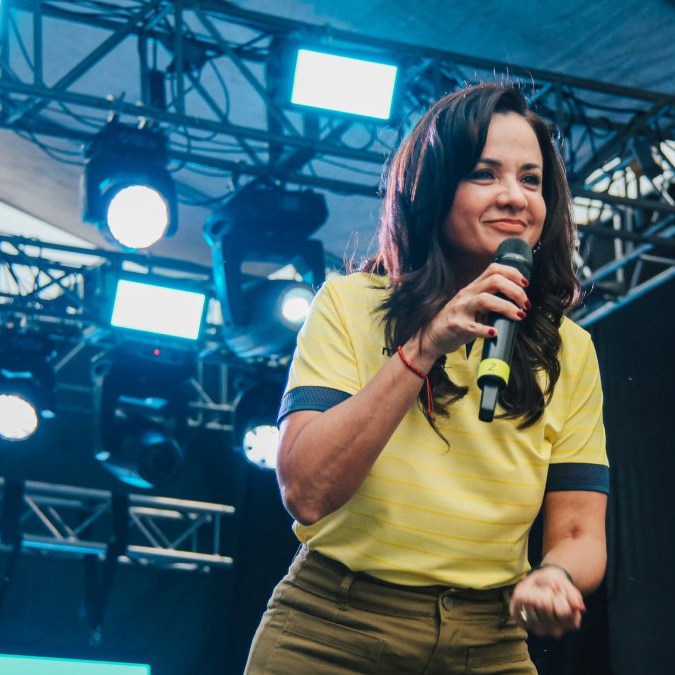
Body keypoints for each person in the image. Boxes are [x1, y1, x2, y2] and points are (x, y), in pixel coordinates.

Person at [244, 82, 609, 674]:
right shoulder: (348, 305)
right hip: (334, 628)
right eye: (485, 174)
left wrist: (555, 576)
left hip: (488, 639)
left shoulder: (572, 350)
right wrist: (425, 346)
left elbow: (577, 529)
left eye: (532, 179)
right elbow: (306, 492)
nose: (516, 197)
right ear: (433, 190)